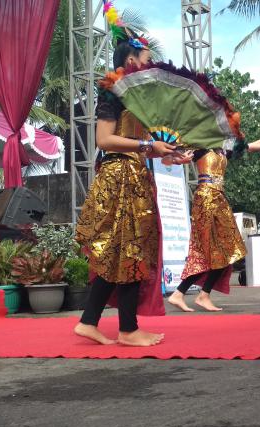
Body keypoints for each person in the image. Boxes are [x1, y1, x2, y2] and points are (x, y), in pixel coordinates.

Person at [74, 24, 192, 346]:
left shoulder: (134, 96)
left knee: (120, 251)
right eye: (147, 59)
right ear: (130, 60)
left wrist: (167, 154)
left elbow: (141, 143)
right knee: (131, 249)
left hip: (133, 174)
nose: (151, 65)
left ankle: (89, 321)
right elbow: (104, 139)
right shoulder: (114, 90)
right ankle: (127, 329)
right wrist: (147, 148)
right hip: (120, 177)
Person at [166, 122, 260, 313]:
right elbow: (169, 159)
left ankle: (198, 294)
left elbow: (254, 145)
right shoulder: (200, 146)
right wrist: (177, 160)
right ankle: (184, 294)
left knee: (230, 249)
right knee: (210, 250)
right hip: (205, 198)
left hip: (219, 198)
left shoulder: (224, 150)